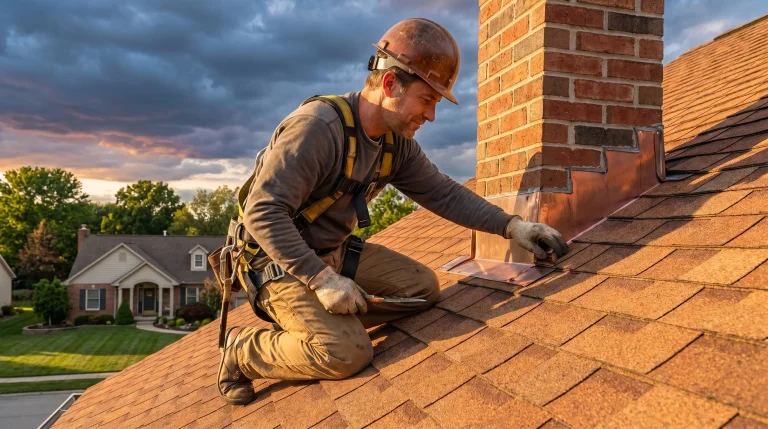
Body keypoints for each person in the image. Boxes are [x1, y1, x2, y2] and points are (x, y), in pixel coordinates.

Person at [217, 18, 568, 405]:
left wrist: (512, 226)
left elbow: (443, 193)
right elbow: (263, 213)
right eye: (427, 100)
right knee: (347, 353)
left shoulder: (394, 144)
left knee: (423, 289)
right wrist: (322, 281)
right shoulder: (318, 128)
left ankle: (332, 323)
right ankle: (243, 350)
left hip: (332, 252)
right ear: (389, 85)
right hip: (276, 261)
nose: (430, 116)